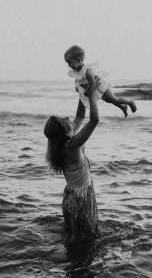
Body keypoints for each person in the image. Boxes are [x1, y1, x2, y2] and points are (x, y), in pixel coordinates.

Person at [44, 90, 100, 243]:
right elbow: (94, 120)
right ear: (63, 131)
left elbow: (81, 116)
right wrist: (92, 92)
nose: (68, 118)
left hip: (75, 194)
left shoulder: (65, 142)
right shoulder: (72, 147)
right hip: (79, 197)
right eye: (64, 120)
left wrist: (83, 91)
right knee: (83, 237)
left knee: (76, 236)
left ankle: (73, 261)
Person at [64, 45, 137, 117]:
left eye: (70, 63)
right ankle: (123, 107)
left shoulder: (86, 70)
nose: (69, 65)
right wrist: (76, 87)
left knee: (114, 99)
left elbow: (92, 82)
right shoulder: (76, 70)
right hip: (96, 89)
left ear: (79, 60)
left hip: (101, 86)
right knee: (109, 100)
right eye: (68, 63)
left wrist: (87, 92)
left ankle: (130, 102)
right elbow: (77, 78)